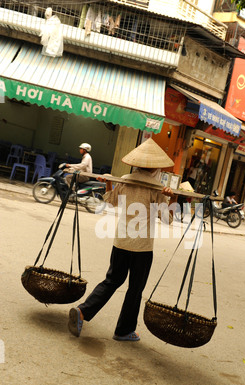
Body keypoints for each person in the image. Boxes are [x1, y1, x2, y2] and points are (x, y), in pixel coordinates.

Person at [68, 138, 177, 341]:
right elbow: (168, 218)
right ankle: (124, 330)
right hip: (142, 248)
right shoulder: (156, 188)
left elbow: (112, 201)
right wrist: (173, 197)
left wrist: (110, 182)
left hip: (121, 242)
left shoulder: (126, 180)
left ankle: (83, 311)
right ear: (155, 169)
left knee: (112, 281)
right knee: (135, 289)